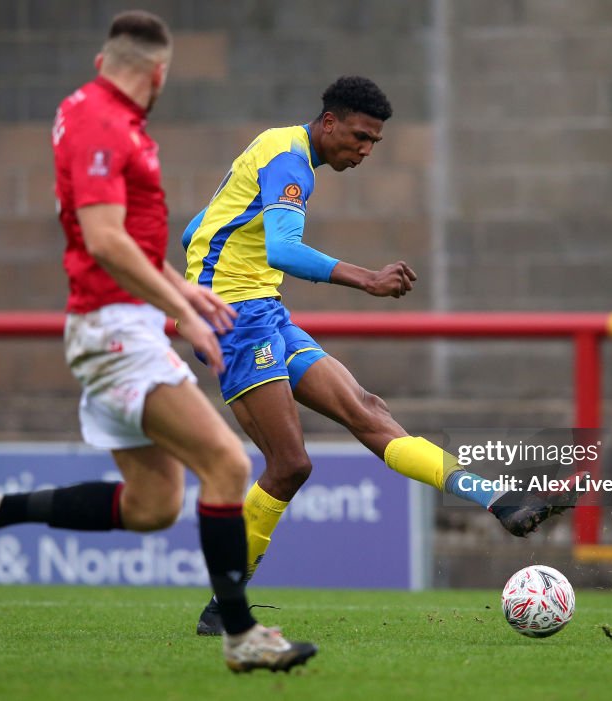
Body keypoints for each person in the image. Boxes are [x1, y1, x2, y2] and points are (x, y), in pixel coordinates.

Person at [0, 10, 316, 673]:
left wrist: (184, 290)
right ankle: (240, 633)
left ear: (102, 60)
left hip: (122, 326)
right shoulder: (103, 124)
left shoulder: (103, 115)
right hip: (115, 331)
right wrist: (183, 310)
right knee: (228, 464)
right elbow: (105, 239)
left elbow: (127, 240)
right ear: (159, 73)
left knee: (152, 504)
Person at [181, 75, 577, 635]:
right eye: (360, 137)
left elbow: (201, 227)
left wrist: (189, 286)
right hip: (235, 323)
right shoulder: (289, 160)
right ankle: (224, 606)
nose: (365, 150)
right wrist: (365, 278)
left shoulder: (278, 152)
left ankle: (500, 501)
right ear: (329, 123)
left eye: (375, 143)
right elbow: (281, 248)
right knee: (291, 464)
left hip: (260, 311)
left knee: (369, 409)